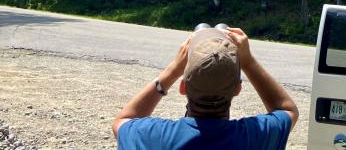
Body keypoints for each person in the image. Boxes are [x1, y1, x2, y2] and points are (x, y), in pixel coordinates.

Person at [112, 26, 298, 150]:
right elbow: (287, 110)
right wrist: (248, 62)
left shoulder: (153, 136)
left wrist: (172, 70)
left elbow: (124, 120)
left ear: (183, 87)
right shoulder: (255, 137)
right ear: (238, 90)